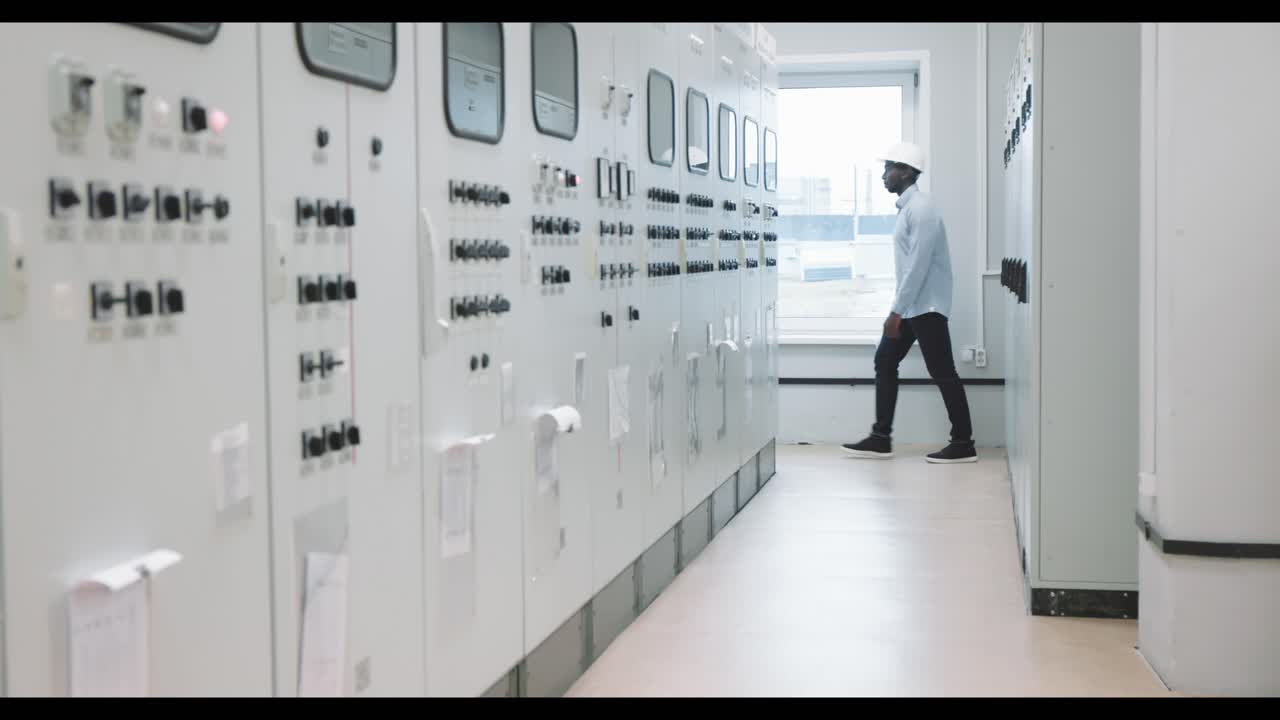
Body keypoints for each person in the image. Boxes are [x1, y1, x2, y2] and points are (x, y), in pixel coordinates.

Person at [842, 142, 977, 464]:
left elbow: (918, 265)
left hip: (926, 306)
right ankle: (880, 437)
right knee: (885, 361)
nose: (883, 176)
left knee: (943, 372)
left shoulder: (922, 209)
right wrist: (901, 309)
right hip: (915, 305)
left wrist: (895, 312)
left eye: (888, 168)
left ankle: (963, 443)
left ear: (905, 171)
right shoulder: (909, 209)